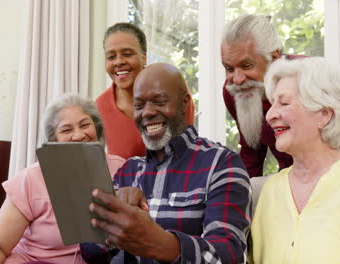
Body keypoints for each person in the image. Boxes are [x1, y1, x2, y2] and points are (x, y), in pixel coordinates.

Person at [83, 63, 251, 263]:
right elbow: (89, 252)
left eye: (160, 101)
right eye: (139, 105)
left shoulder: (222, 164)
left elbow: (229, 255)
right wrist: (107, 223)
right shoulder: (128, 170)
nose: (146, 113)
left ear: (184, 103)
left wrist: (160, 242)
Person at [250, 57, 340, 263]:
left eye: (284, 103)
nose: (270, 115)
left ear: (324, 114)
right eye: (272, 104)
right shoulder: (268, 191)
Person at [221, 14, 340, 177]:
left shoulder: (321, 80)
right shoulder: (237, 92)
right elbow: (252, 150)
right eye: (229, 68)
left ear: (274, 56)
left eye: (247, 65)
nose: (237, 79)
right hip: (294, 180)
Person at [0, 94, 126, 264]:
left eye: (85, 125)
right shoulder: (31, 179)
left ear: (96, 129)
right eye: (67, 130)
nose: (79, 135)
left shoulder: (120, 169)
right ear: (54, 139)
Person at [97, 22, 195, 160]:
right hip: (127, 181)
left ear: (144, 58)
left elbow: (185, 149)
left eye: (127, 54)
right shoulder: (101, 106)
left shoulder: (175, 90)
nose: (118, 62)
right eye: (111, 57)